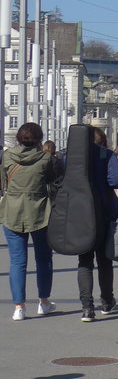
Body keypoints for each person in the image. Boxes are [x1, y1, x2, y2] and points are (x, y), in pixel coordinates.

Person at [2, 122, 59, 321]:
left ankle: (19, 307)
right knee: (44, 259)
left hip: (12, 212)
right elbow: (53, 182)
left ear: (18, 138)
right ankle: (43, 302)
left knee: (17, 261)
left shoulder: (7, 156)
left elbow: (3, 183)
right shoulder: (46, 159)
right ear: (39, 139)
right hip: (40, 212)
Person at [77, 127, 118, 322]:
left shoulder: (72, 157)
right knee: (105, 260)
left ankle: (87, 308)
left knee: (84, 261)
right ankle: (106, 301)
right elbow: (116, 181)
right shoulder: (107, 155)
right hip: (104, 212)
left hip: (80, 215)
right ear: (103, 141)